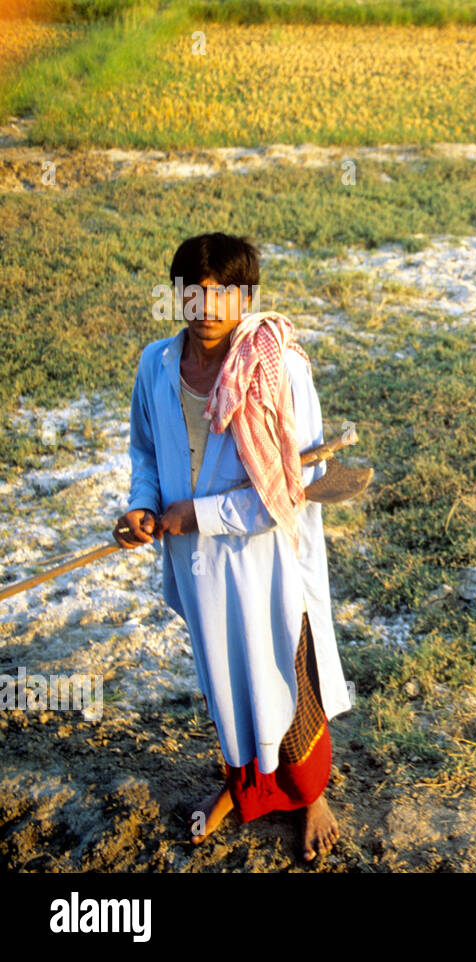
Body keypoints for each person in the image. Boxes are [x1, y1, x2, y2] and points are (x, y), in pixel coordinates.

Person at [113, 233, 352, 862]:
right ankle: (243, 789)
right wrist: (142, 506)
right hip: (196, 566)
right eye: (195, 292)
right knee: (225, 684)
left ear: (246, 297)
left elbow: (293, 487)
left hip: (266, 563)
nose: (207, 307)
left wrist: (204, 513)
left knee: (285, 679)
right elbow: (144, 451)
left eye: (224, 293)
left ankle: (309, 794)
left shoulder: (280, 368)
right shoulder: (156, 365)